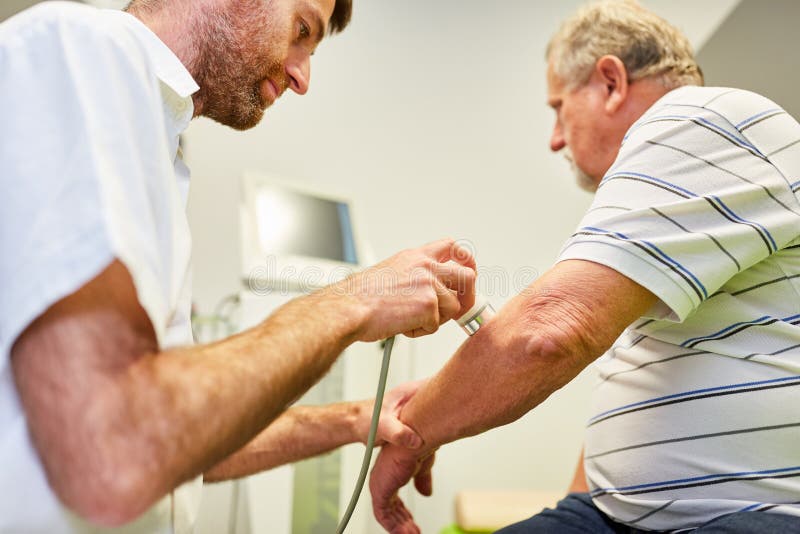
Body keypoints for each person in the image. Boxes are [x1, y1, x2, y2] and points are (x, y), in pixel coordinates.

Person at [0, 0, 477, 532]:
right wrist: (355, 300)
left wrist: (352, 419)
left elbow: (172, 437)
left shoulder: (161, 146)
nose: (302, 78)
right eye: (301, 30)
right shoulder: (80, 50)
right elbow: (113, 451)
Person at [368, 1, 800, 532]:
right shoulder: (676, 192)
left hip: (738, 519)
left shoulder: (699, 119)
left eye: (558, 107)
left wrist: (413, 434)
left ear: (611, 82)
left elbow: (548, 333)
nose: (555, 138)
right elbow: (631, 378)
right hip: (614, 512)